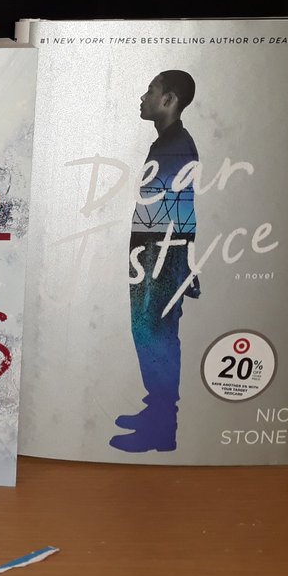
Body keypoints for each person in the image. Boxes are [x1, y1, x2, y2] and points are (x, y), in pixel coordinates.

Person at [110, 70, 201, 453]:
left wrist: (178, 263)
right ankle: (157, 414)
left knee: (156, 334)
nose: (143, 97)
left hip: (160, 252)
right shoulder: (168, 143)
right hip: (157, 251)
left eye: (151, 90)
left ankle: (162, 428)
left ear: (169, 100)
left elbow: (175, 210)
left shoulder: (175, 147)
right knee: (150, 332)